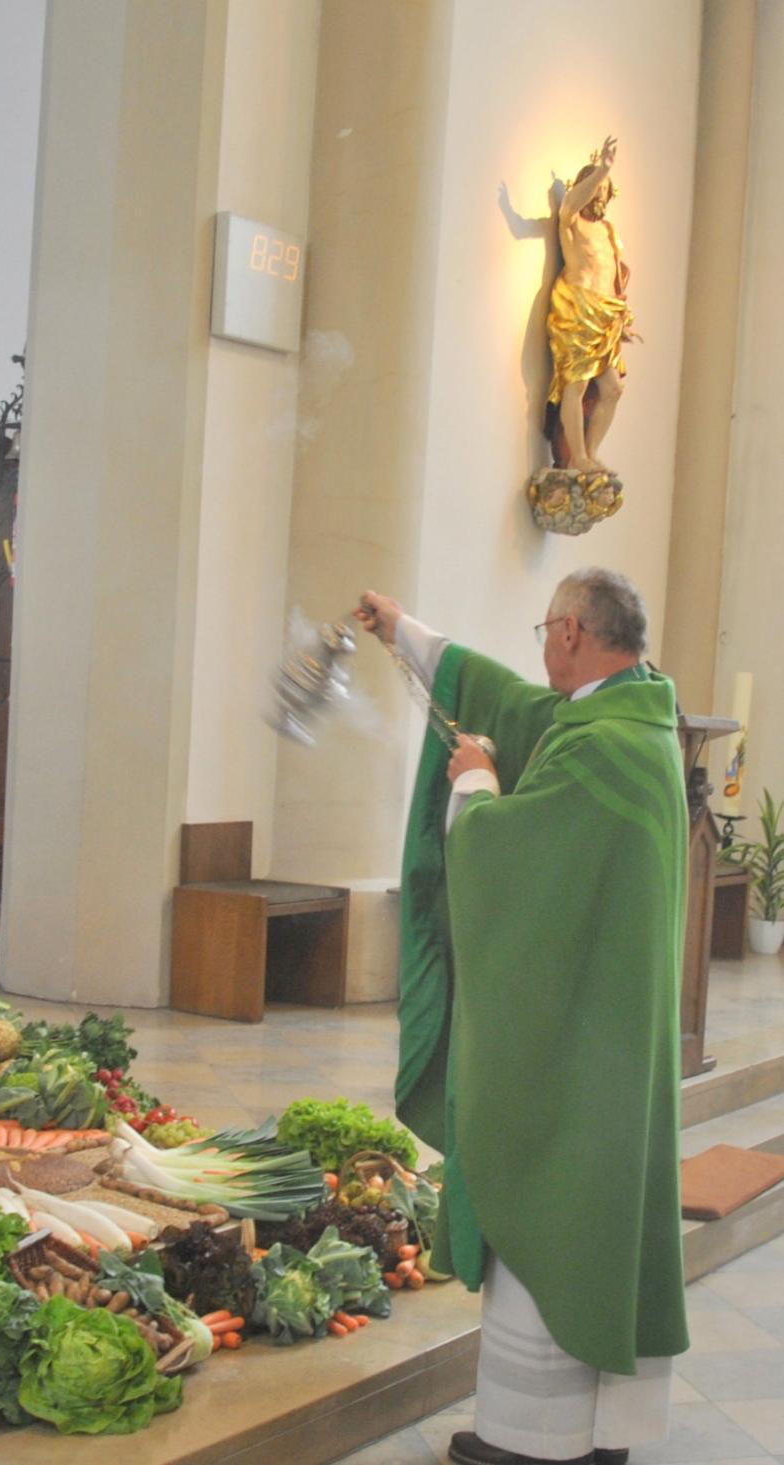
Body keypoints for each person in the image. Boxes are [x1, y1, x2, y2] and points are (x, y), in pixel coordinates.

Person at [360, 569, 684, 1465]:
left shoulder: (602, 747)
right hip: (608, 1032)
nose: (541, 644)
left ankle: (535, 1438)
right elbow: (503, 691)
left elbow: (507, 859)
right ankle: (595, 1430)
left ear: (575, 631)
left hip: (582, 1049)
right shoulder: (626, 717)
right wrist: (404, 632)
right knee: (590, 1217)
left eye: (547, 628)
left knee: (554, 1198)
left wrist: (474, 785)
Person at [548, 136, 633, 474]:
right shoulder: (573, 224)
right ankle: (577, 457)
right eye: (595, 190)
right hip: (578, 310)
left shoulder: (609, 232)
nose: (600, 196)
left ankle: (591, 453)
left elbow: (615, 277)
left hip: (606, 314)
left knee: (612, 388)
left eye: (605, 191)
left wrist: (621, 320)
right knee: (577, 384)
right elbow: (569, 204)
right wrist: (602, 170)